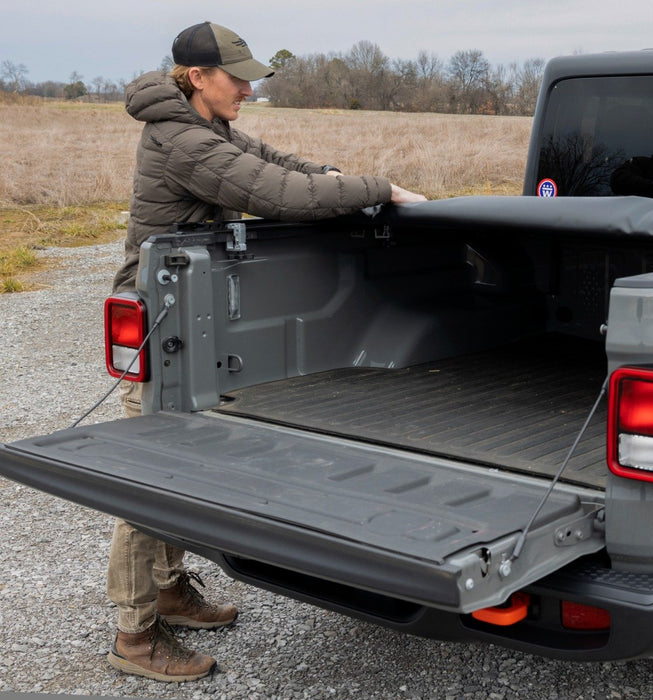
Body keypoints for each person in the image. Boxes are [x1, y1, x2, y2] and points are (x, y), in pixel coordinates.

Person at [106, 21, 426, 683]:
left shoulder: (207, 126)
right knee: (146, 481)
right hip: (160, 320)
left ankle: (169, 591)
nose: (249, 87)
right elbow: (278, 196)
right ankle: (134, 637)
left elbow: (277, 165)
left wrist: (333, 174)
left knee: (176, 462)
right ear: (197, 76)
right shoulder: (182, 139)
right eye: (237, 76)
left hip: (186, 318)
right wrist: (379, 189)